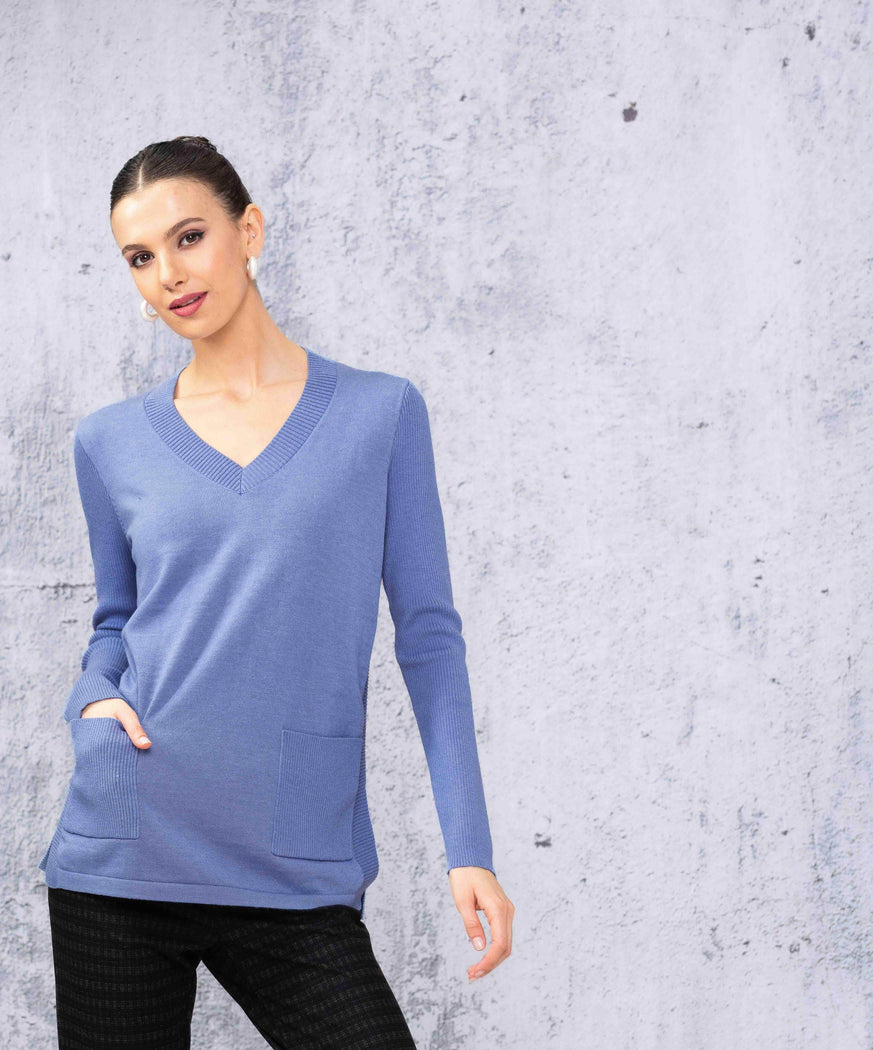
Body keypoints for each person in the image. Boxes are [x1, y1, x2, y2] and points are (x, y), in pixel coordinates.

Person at [39, 135, 515, 1049]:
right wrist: (92, 699)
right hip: (126, 848)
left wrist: (470, 849)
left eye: (189, 237)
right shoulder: (109, 443)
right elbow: (116, 621)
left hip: (292, 852)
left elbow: (429, 638)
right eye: (140, 256)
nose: (170, 274)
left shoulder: (380, 414)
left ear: (249, 231)